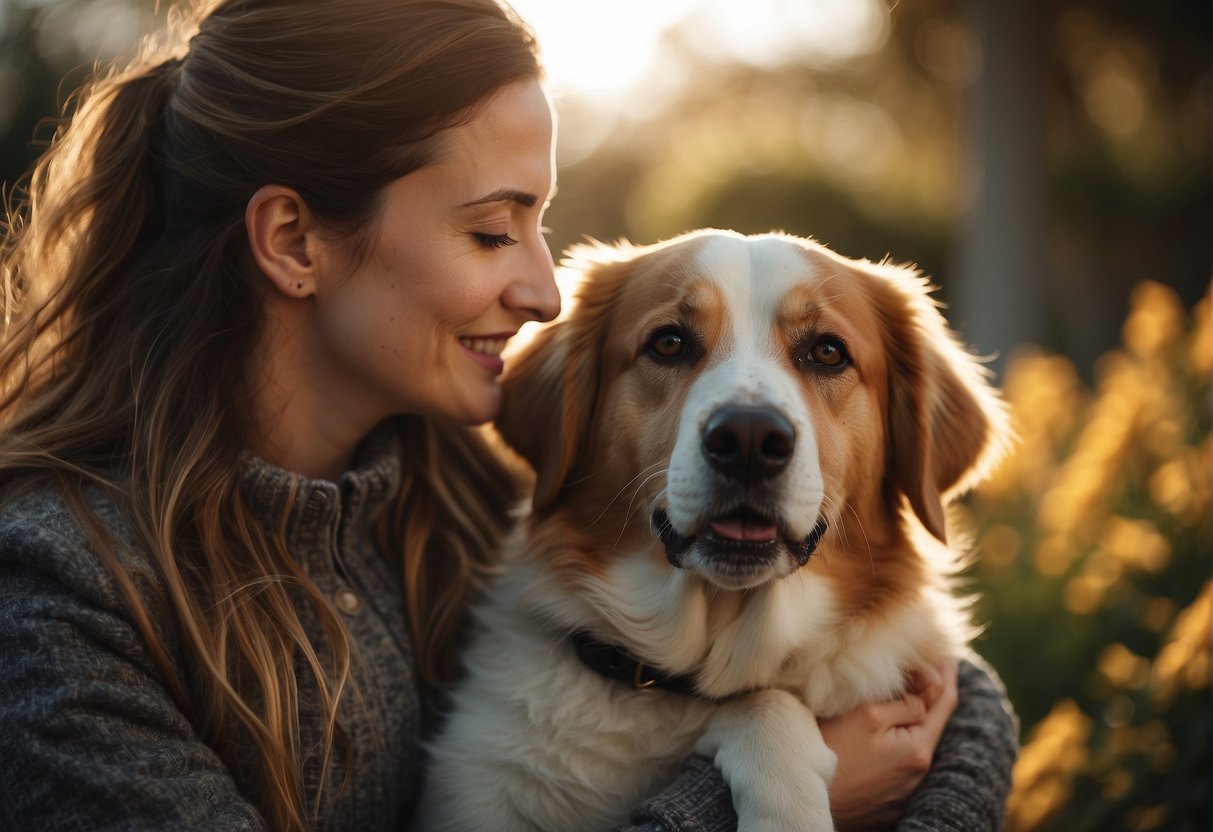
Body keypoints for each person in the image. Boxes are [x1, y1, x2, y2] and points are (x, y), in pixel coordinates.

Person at [0, 0, 1017, 830]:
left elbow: (928, 687)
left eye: (540, 221)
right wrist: (768, 802)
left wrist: (849, 772)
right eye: (492, 231)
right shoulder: (59, 603)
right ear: (294, 240)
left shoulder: (459, 475)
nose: (542, 290)